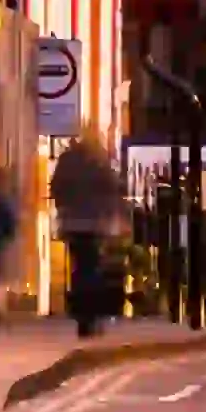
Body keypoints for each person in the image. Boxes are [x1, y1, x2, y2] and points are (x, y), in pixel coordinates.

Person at [49, 131, 128, 337]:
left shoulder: (67, 159)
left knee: (79, 266)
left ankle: (82, 313)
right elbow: (113, 190)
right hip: (95, 224)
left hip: (72, 223)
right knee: (92, 267)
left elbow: (56, 188)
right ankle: (90, 314)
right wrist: (114, 218)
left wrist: (63, 208)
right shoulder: (100, 160)